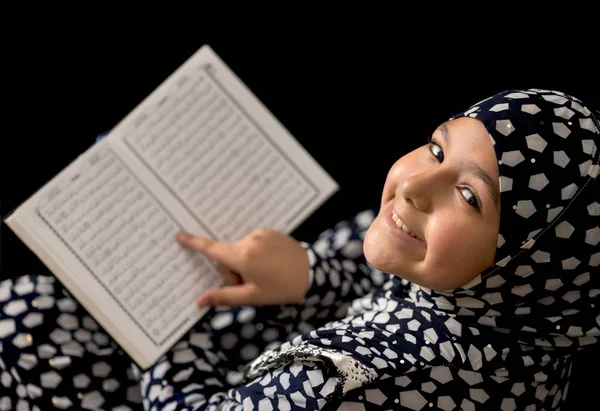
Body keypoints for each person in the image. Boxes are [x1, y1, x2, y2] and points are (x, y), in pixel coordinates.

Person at [1, 88, 598, 410]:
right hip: (238, 345)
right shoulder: (519, 313)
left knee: (18, 325)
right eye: (437, 149)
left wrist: (150, 321)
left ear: (534, 259)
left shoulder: (348, 382)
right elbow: (388, 293)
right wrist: (312, 275)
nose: (414, 185)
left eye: (469, 197)